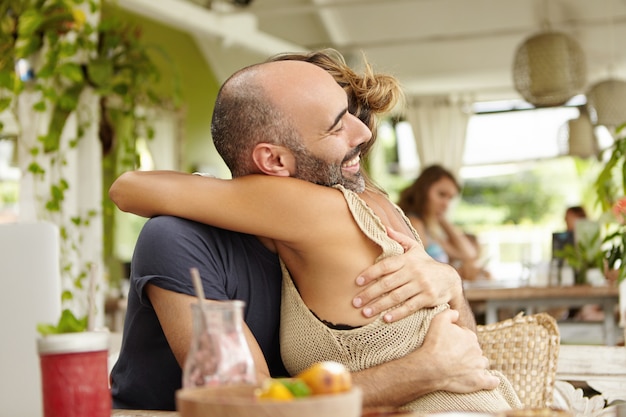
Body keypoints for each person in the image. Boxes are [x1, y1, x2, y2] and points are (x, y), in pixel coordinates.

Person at [110, 50, 519, 412]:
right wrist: (422, 370)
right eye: (336, 125)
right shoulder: (181, 238)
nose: (365, 133)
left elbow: (465, 347)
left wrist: (450, 282)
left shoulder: (357, 206)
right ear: (273, 160)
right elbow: (242, 404)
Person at [397, 164, 477, 265]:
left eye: (450, 198)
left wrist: (442, 219)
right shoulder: (414, 224)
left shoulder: (429, 228)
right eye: (441, 194)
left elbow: (469, 254)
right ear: (423, 191)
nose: (446, 204)